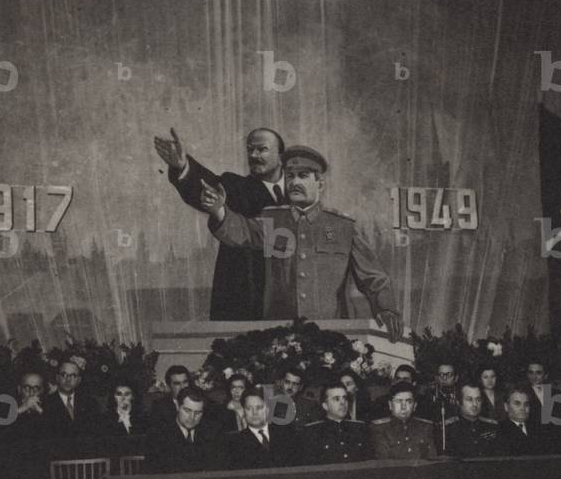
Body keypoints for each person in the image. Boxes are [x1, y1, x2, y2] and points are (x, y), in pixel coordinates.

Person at [198, 145, 402, 341]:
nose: (294, 182)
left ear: (320, 183)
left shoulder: (344, 227)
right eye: (289, 176)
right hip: (278, 335)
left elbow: (374, 278)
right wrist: (218, 210)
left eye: (303, 176)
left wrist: (386, 309)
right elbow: (240, 231)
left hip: (331, 336)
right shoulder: (272, 220)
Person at [155, 128, 285, 320]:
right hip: (244, 300)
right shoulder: (234, 186)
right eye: (250, 150)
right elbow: (206, 188)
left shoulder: (299, 191)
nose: (253, 155)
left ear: (281, 155)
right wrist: (183, 167)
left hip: (286, 303)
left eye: (261, 149)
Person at [146, 387, 223, 473]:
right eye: (187, 410)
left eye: (197, 413)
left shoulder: (213, 432)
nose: (192, 417)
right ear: (177, 406)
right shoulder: (159, 435)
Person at [301, 383, 373, 464]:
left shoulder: (361, 428)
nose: (343, 403)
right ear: (325, 406)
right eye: (336, 399)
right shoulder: (312, 431)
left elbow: (370, 463)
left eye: (344, 398)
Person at [226, 387, 297, 469]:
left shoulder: (286, 433)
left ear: (268, 409)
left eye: (259, 407)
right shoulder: (235, 443)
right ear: (243, 411)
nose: (254, 413)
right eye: (249, 408)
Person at [371, 381, 438, 460]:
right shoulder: (379, 428)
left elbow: (432, 461)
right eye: (399, 401)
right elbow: (383, 461)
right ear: (390, 405)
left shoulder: (425, 427)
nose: (403, 406)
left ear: (415, 406)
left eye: (408, 401)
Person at [40, 361, 102, 436]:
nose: (68, 379)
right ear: (57, 378)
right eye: (64, 374)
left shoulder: (90, 403)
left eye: (73, 375)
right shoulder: (45, 404)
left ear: (79, 380)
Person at [443, 382, 503, 458]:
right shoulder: (447, 428)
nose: (475, 404)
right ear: (459, 402)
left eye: (478, 399)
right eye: (469, 399)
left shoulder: (492, 426)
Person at [497, 387, 540, 456]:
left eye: (526, 404)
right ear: (506, 406)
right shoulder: (499, 430)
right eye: (517, 404)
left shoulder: (537, 428)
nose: (522, 408)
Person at [148, 365, 191, 430]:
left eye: (185, 382)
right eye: (177, 383)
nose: (182, 387)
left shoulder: (201, 402)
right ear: (169, 386)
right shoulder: (159, 406)